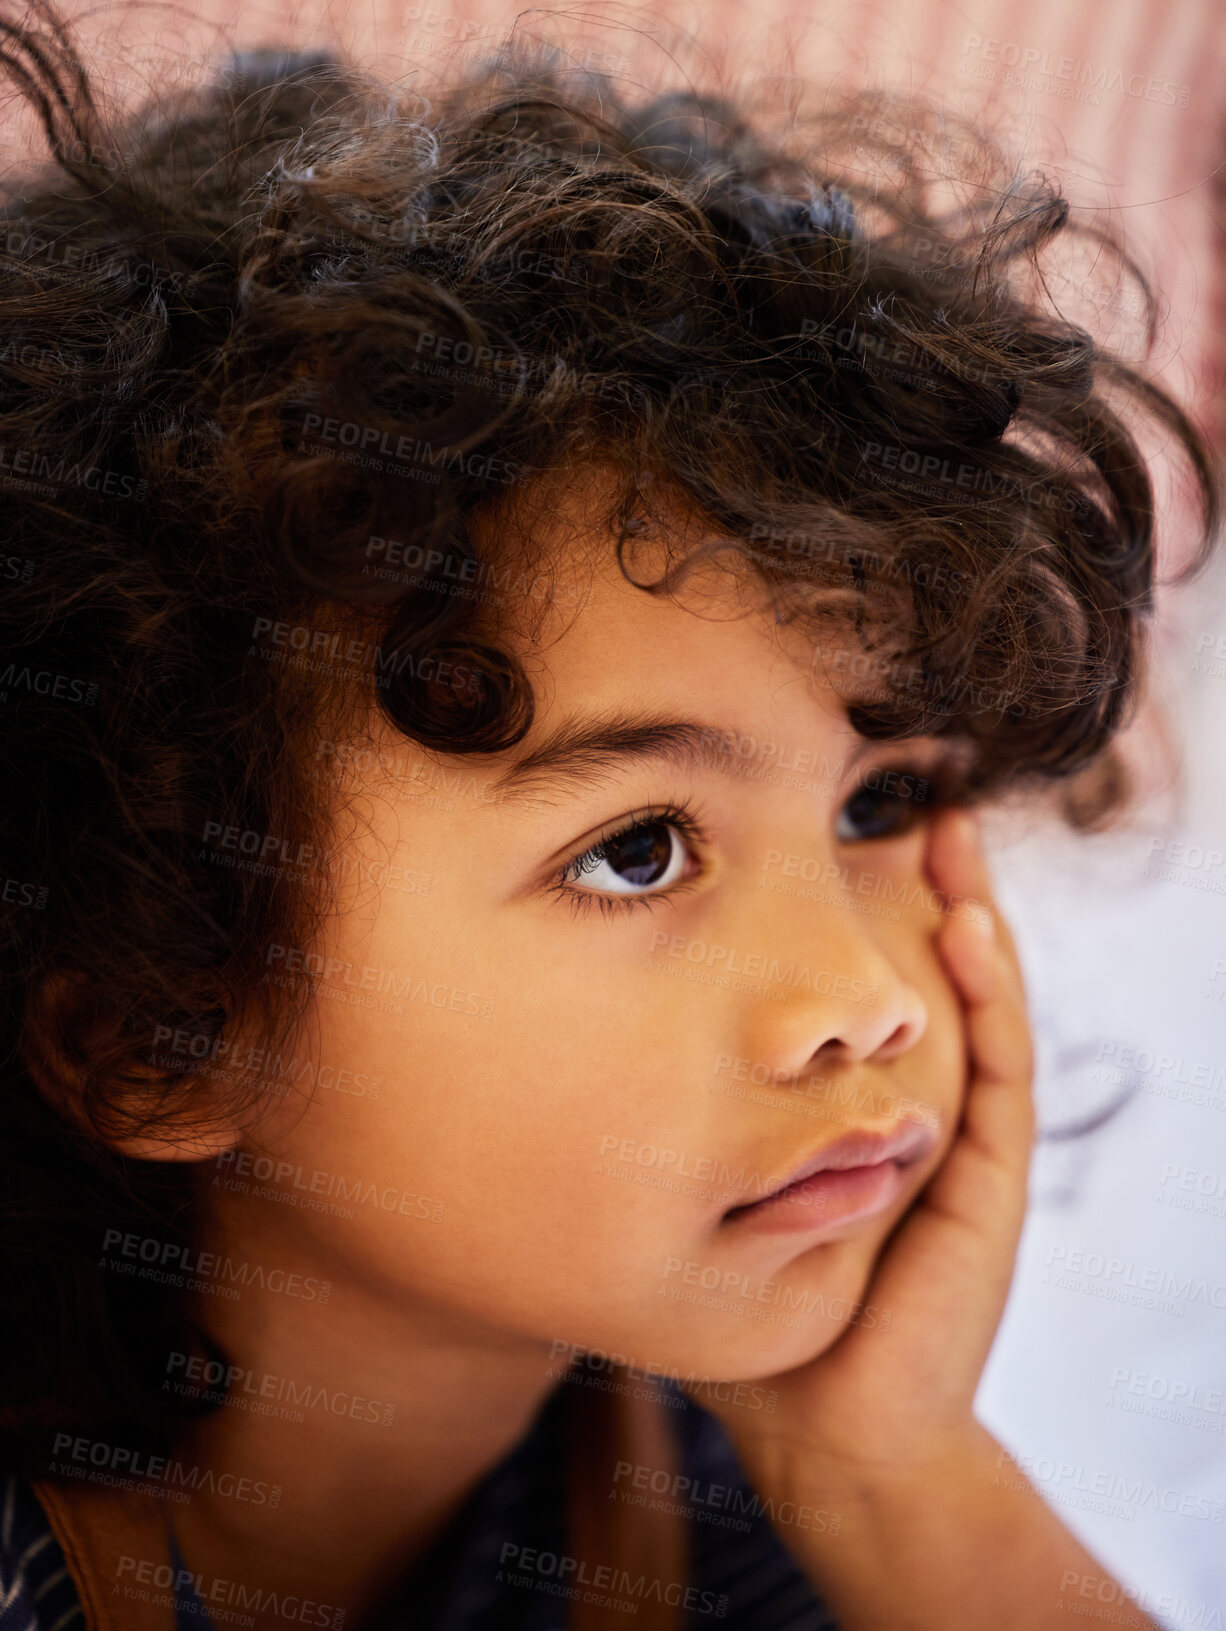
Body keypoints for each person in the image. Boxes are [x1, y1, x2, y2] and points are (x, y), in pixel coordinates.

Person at [0, 3, 1217, 1626]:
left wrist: (894, 1476)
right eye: (635, 848)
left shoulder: (712, 1480)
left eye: (886, 804)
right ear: (163, 1026)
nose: (857, 1002)